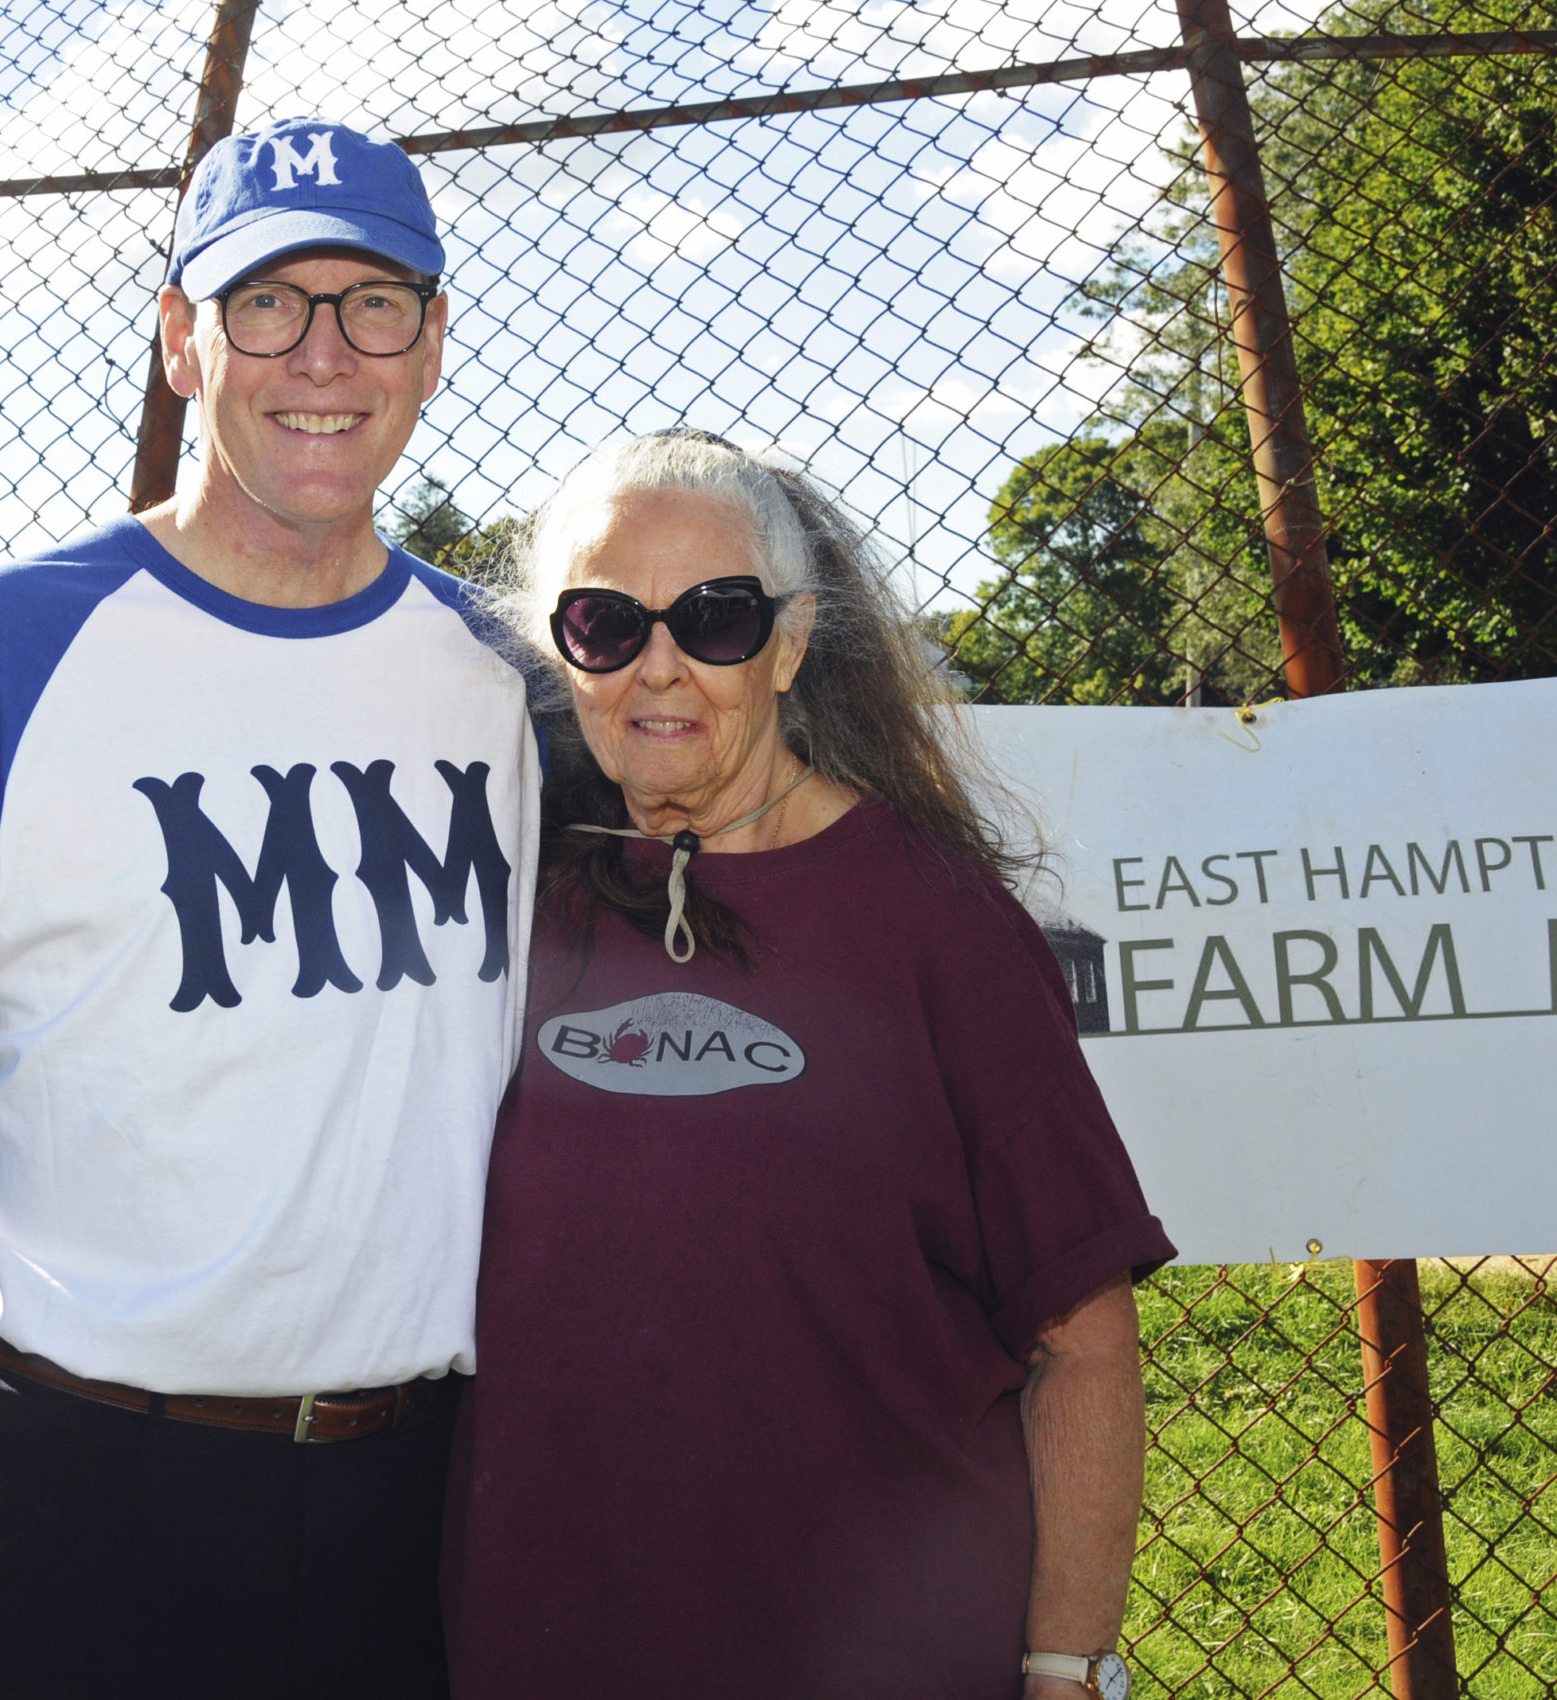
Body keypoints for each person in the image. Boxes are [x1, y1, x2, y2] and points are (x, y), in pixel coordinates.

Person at [0, 117, 540, 1699]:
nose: (324, 353)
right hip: (71, 1492)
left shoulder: (511, 677)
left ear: (436, 342)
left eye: (374, 302)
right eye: (267, 303)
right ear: (184, 340)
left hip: (418, 1502)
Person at [441, 431, 1172, 1700]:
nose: (659, 666)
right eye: (606, 622)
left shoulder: (932, 920)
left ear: (789, 640)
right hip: (540, 1647)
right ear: (563, 654)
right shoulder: (509, 911)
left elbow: (1084, 1341)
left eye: (714, 618)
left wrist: (1065, 1668)